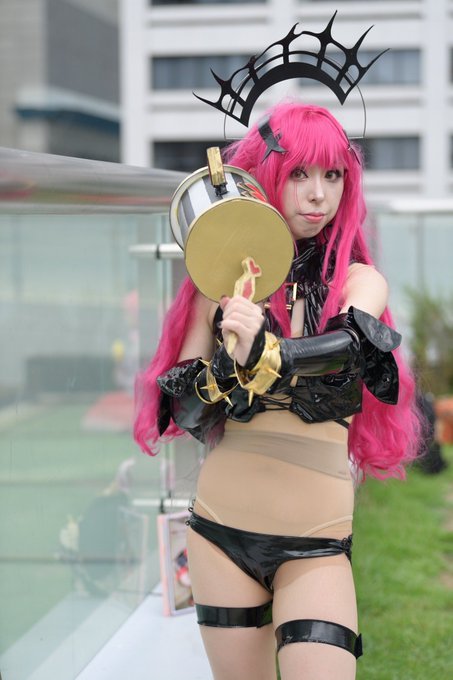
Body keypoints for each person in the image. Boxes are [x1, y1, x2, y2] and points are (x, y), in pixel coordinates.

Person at [134, 102, 420, 680]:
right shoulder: (219, 288)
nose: (318, 195)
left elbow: (348, 350)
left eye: (333, 175)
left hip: (316, 542)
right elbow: (185, 411)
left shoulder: (360, 281)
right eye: (299, 174)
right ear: (268, 176)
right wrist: (225, 364)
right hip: (221, 531)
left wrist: (264, 352)